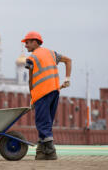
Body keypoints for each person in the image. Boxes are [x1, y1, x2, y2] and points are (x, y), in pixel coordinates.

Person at [22, 31, 72, 160]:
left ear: (35, 42)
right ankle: (41, 151)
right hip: (54, 92)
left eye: (27, 42)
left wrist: (32, 99)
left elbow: (30, 81)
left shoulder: (31, 58)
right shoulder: (51, 53)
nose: (25, 45)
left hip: (42, 93)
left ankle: (50, 150)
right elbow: (68, 60)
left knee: (42, 122)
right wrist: (67, 78)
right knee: (47, 122)